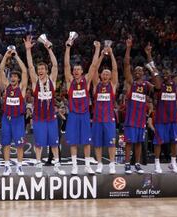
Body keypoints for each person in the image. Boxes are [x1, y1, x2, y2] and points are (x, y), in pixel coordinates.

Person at [145, 43, 177, 173]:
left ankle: (173, 163)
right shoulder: (159, 84)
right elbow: (153, 69)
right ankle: (157, 163)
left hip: (173, 119)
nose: (165, 74)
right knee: (158, 142)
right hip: (161, 119)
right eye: (163, 73)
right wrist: (149, 54)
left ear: (171, 74)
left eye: (168, 72)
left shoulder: (176, 83)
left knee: (174, 141)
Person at [25, 35, 66, 177]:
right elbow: (30, 66)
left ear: (46, 70)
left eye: (43, 68)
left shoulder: (52, 80)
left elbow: (55, 65)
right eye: (39, 69)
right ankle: (38, 166)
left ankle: (57, 165)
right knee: (39, 144)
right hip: (39, 119)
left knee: (54, 144)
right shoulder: (35, 81)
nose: (40, 70)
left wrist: (49, 49)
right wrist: (28, 50)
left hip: (51, 118)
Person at [64, 39, 101, 175]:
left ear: (82, 71)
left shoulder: (87, 80)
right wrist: (68, 47)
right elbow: (66, 65)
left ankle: (86, 165)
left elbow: (94, 66)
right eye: (75, 69)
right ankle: (74, 166)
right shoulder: (70, 81)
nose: (76, 71)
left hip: (85, 114)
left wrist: (97, 50)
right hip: (73, 115)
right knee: (73, 142)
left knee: (86, 142)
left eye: (78, 69)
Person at [123, 36, 154, 174]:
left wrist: (149, 55)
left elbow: (158, 83)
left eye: (140, 71)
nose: (137, 72)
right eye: (135, 71)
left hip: (141, 119)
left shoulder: (147, 85)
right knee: (129, 142)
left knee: (139, 143)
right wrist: (128, 48)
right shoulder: (131, 83)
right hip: (130, 119)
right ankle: (126, 164)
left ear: (143, 73)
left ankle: (136, 163)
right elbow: (126, 64)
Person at [0, 47, 28, 176]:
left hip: (18, 119)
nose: (13, 78)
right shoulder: (7, 86)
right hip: (7, 118)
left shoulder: (21, 88)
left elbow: (25, 71)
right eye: (12, 76)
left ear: (18, 79)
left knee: (19, 144)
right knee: (6, 143)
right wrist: (6, 56)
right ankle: (7, 166)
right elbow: (0, 71)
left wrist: (16, 56)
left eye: (16, 76)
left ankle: (19, 166)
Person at [91, 46, 118, 174]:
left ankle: (112, 164)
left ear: (110, 76)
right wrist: (101, 55)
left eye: (108, 74)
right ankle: (100, 163)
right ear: (101, 76)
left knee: (111, 143)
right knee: (97, 143)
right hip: (97, 119)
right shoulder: (96, 85)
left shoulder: (112, 85)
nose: (106, 75)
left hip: (109, 120)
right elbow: (95, 69)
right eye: (104, 73)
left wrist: (111, 54)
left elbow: (115, 69)